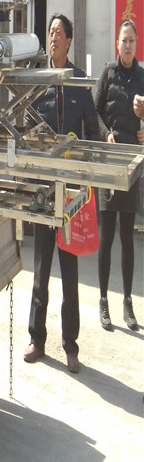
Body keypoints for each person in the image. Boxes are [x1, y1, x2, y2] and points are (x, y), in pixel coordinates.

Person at [23, 13, 100, 374]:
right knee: (40, 269)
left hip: (71, 193)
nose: (53, 37)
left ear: (69, 41)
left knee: (70, 273)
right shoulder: (38, 81)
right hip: (43, 189)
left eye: (59, 33)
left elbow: (93, 132)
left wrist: (87, 175)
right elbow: (26, 128)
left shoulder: (79, 82)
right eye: (50, 32)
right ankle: (36, 339)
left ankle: (71, 345)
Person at [94, 19, 144, 332]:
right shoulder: (108, 73)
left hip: (132, 164)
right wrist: (104, 134)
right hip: (109, 162)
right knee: (107, 235)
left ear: (137, 44)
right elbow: (95, 111)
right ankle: (103, 300)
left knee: (128, 236)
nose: (127, 45)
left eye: (132, 41)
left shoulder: (142, 77)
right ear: (117, 44)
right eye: (123, 40)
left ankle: (127, 301)